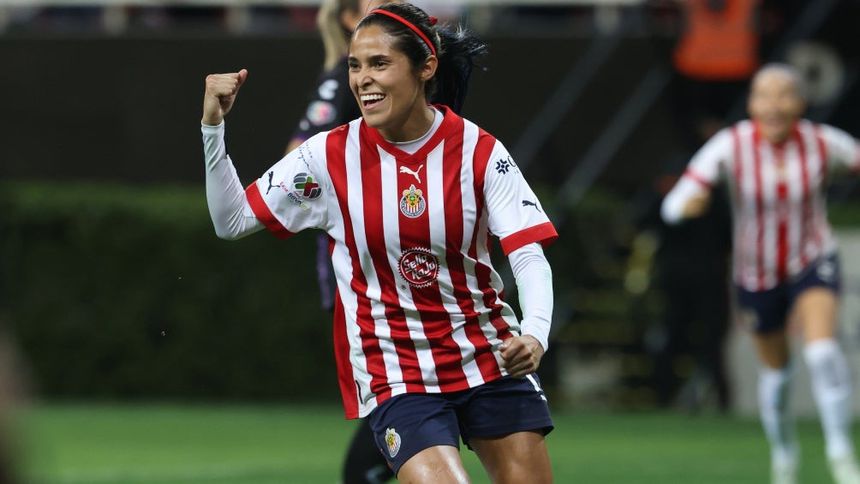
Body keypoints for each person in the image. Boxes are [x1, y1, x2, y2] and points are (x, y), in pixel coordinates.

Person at [200, 3, 557, 482]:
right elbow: (232, 220)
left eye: (379, 63)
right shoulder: (328, 156)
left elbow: (527, 253)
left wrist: (535, 332)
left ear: (425, 67)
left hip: (490, 357)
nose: (362, 79)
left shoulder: (480, 152)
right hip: (397, 371)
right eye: (355, 65)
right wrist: (213, 128)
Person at [662, 64, 860, 484]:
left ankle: (842, 455)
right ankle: (784, 454)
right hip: (756, 271)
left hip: (811, 258)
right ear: (751, 104)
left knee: (822, 353)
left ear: (800, 103)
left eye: (784, 94)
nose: (774, 104)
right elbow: (674, 203)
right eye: (764, 95)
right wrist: (687, 206)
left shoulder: (822, 142)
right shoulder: (731, 145)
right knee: (778, 373)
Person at [288, 1, 395, 482]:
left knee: (412, 382)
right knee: (394, 385)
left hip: (399, 255)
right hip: (359, 261)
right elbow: (296, 157)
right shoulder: (342, 81)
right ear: (352, 18)